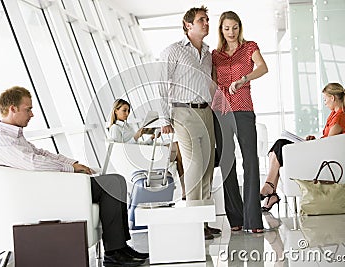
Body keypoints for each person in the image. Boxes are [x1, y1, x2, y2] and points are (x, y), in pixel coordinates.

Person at [0, 86, 147, 267]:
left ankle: (121, 247)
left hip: (56, 185)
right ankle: (114, 253)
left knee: (117, 180)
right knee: (111, 183)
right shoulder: (2, 141)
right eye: (28, 109)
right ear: (12, 109)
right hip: (52, 191)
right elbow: (34, 163)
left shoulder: (15, 137)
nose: (32, 114)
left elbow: (43, 154)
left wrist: (73, 163)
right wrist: (70, 169)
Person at [158, 5, 219, 239]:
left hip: (205, 113)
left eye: (207, 19)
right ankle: (193, 224)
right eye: (201, 20)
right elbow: (162, 85)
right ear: (188, 25)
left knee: (207, 168)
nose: (206, 23)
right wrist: (165, 118)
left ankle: (203, 222)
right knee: (194, 167)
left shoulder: (207, 53)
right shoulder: (173, 51)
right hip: (183, 113)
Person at [212, 11, 268, 233]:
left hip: (244, 109)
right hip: (221, 111)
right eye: (227, 28)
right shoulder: (215, 55)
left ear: (239, 27)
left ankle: (253, 219)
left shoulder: (249, 47)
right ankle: (235, 217)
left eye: (234, 27)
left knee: (250, 161)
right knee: (227, 163)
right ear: (221, 30)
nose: (231, 32)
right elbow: (213, 82)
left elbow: (263, 68)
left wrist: (244, 79)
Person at [260, 82, 345, 211]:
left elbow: (329, 146)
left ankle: (269, 188)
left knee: (280, 144)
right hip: (318, 152)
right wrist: (313, 140)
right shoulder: (334, 115)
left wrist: (311, 145)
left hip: (321, 157)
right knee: (278, 148)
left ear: (333, 98)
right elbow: (327, 140)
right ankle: (271, 192)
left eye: (325, 99)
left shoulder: (340, 118)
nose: (324, 103)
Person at [108, 99, 186, 199]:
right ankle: (184, 189)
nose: (127, 114)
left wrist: (151, 138)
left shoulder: (127, 127)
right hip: (138, 157)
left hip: (143, 152)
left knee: (178, 148)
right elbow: (121, 149)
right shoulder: (115, 128)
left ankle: (184, 189)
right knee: (177, 149)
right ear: (116, 111)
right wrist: (136, 136)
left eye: (128, 111)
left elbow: (138, 145)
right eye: (124, 110)